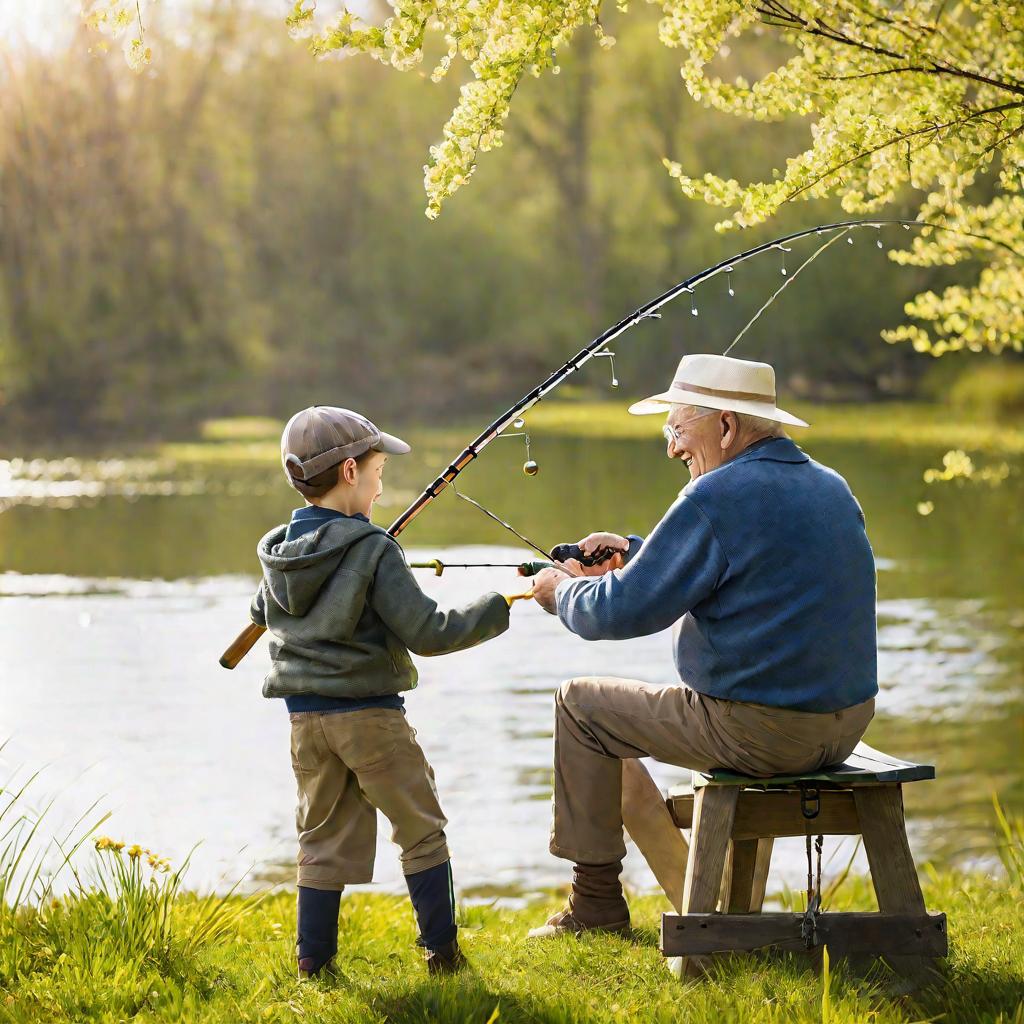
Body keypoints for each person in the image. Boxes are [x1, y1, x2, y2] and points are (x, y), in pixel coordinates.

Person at [528, 353, 878, 937]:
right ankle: (697, 896)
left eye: (677, 428)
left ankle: (595, 908)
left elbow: (615, 612)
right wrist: (639, 555)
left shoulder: (716, 495)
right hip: (846, 724)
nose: (670, 447)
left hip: (765, 730)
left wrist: (559, 591)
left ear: (725, 427)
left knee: (579, 706)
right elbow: (753, 571)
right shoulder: (829, 485)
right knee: (606, 723)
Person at [250, 406, 514, 976]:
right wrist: (499, 606)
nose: (379, 484)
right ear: (349, 473)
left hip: (305, 724)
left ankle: (313, 965)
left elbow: (260, 609)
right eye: (376, 473)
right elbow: (428, 631)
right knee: (420, 829)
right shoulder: (373, 549)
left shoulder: (276, 551)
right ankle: (443, 956)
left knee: (320, 840)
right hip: (370, 718)